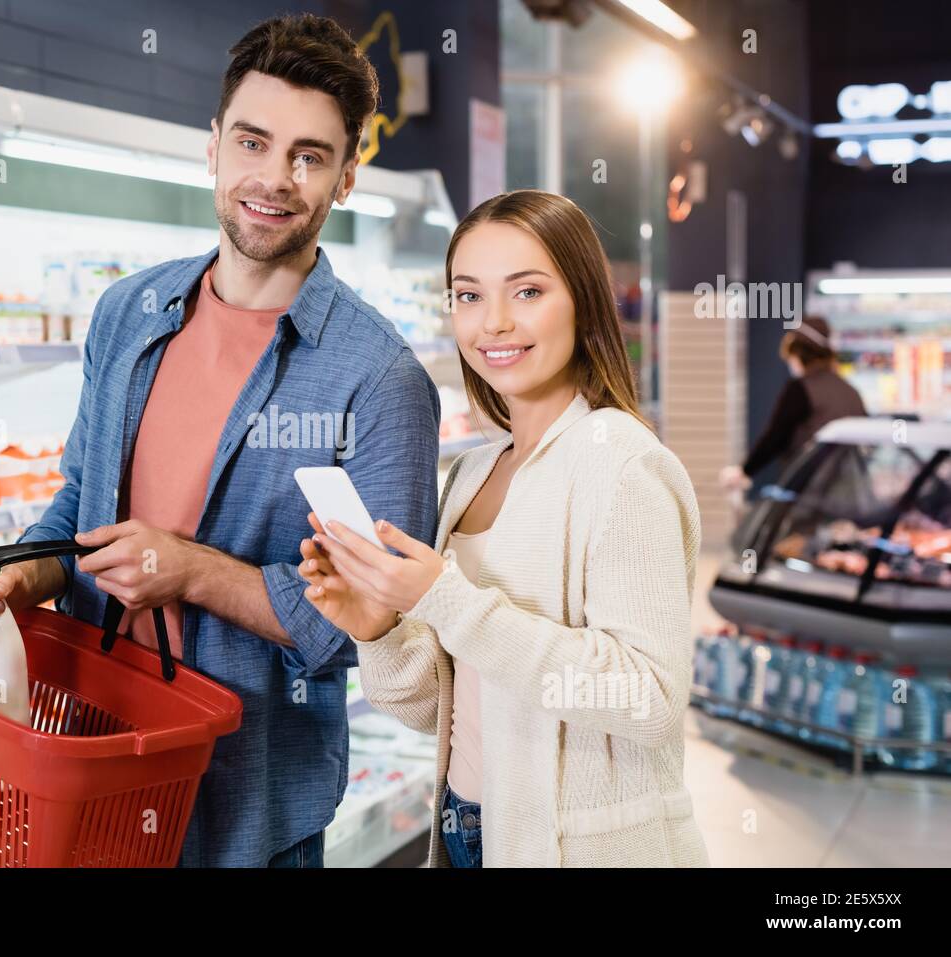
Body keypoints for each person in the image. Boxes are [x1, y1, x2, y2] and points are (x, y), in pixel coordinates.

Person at [0, 14, 440, 867]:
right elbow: (80, 502)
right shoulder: (128, 315)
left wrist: (195, 571)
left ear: (348, 175)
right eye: (253, 142)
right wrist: (24, 573)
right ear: (213, 146)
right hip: (89, 756)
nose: (273, 179)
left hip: (243, 803)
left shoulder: (378, 377)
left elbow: (372, 621)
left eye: (310, 156)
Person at [299, 189, 708, 867]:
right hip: (467, 829)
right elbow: (441, 708)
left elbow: (649, 698)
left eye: (526, 292)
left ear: (582, 299)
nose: (493, 323)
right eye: (468, 295)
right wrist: (375, 624)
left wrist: (445, 598)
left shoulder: (624, 464)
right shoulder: (468, 475)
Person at [719, 315, 866, 492]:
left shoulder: (801, 389)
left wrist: (744, 471)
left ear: (799, 354)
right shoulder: (851, 392)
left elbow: (775, 436)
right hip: (851, 491)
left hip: (811, 493)